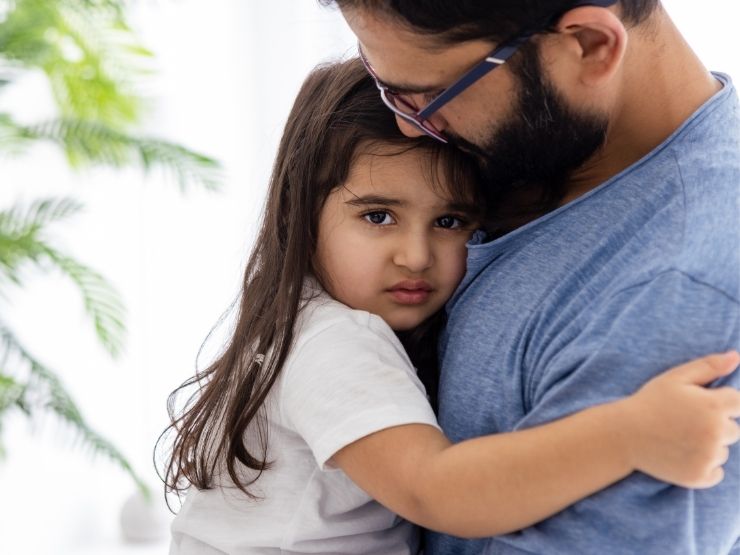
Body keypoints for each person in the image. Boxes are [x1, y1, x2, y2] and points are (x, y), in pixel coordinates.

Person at [159, 59, 740, 555]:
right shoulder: (336, 344)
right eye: (378, 216)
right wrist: (627, 436)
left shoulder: (304, 322)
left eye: (450, 222)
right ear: (300, 214)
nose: (415, 256)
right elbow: (434, 490)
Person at [326, 1, 740, 553]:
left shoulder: (673, 288)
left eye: (428, 94)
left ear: (589, 45)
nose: (407, 124)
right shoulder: (533, 152)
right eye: (387, 85)